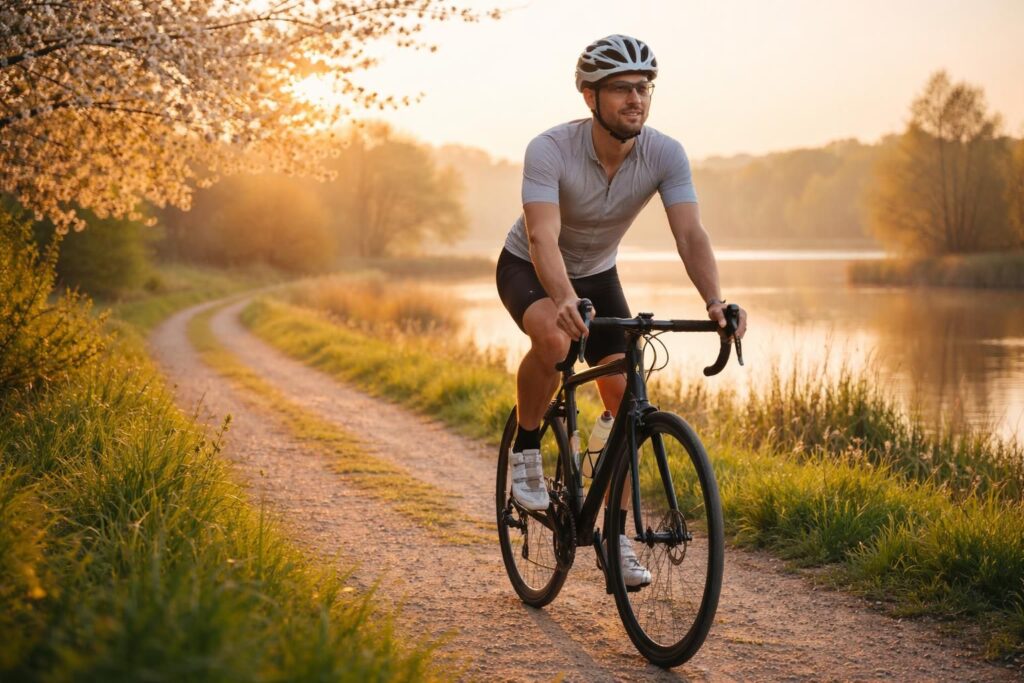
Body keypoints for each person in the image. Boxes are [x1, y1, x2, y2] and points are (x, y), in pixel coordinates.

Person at [495, 34, 748, 586]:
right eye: (621, 90)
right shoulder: (550, 149)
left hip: (600, 275)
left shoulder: (665, 153)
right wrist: (561, 298)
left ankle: (616, 537)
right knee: (556, 342)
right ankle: (529, 449)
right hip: (532, 267)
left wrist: (714, 301)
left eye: (643, 88)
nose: (636, 99)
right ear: (590, 97)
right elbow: (542, 235)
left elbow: (690, 233)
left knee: (629, 406)